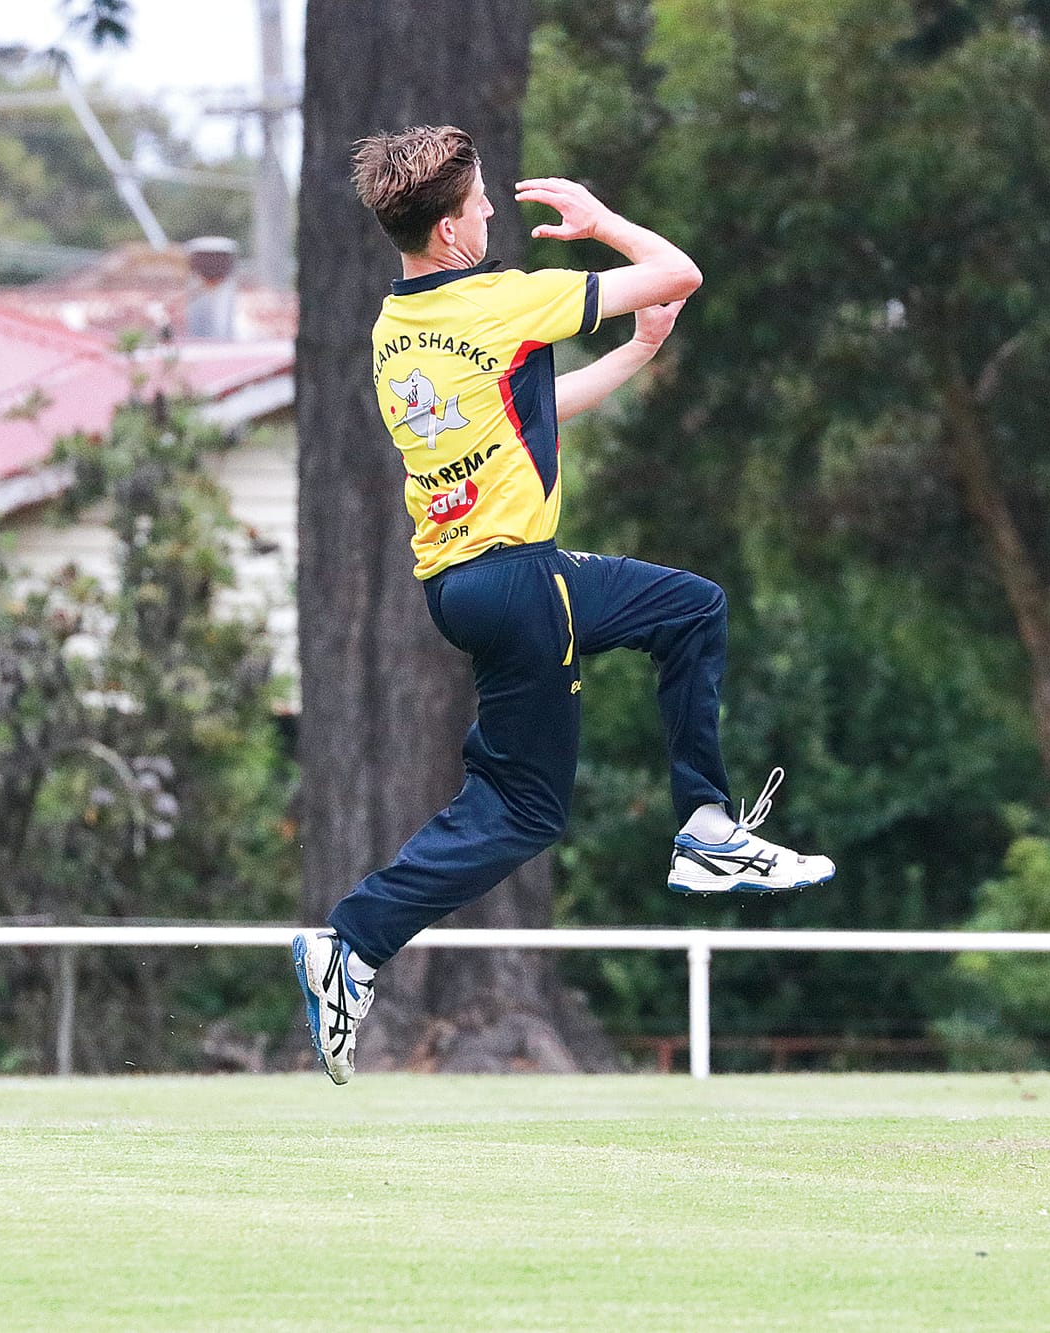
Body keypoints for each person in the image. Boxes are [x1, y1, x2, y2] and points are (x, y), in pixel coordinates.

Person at [293, 126, 834, 1084]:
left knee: (535, 794)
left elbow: (524, 415)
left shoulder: (396, 328)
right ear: (454, 231)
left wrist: (635, 356)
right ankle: (702, 832)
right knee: (688, 617)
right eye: (482, 203)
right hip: (517, 576)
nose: (496, 210)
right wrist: (601, 221)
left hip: (462, 589)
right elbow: (680, 270)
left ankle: (359, 940)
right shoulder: (500, 300)